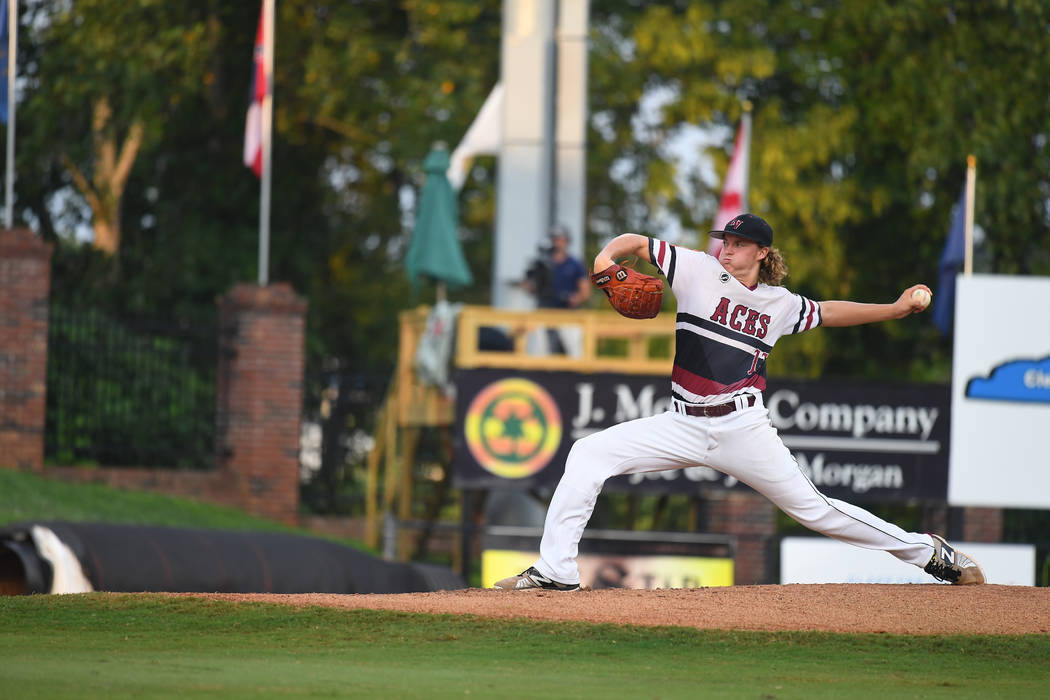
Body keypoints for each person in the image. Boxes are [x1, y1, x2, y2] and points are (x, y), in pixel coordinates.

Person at [495, 213, 985, 591]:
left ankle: (930, 554)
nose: (726, 250)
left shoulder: (780, 303)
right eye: (725, 241)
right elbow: (634, 244)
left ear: (761, 253)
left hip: (743, 429)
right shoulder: (697, 270)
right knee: (588, 453)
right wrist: (605, 261)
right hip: (683, 423)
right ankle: (556, 571)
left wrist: (896, 308)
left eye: (738, 244)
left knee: (817, 511)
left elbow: (831, 311)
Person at [523, 225, 591, 354]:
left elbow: (585, 291)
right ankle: (539, 374)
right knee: (539, 350)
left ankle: (580, 374)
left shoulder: (575, 264)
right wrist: (532, 285)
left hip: (568, 313)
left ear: (567, 241)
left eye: (561, 240)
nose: (558, 243)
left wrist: (574, 298)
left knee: (575, 349)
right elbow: (528, 286)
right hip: (545, 310)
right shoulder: (541, 263)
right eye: (555, 240)